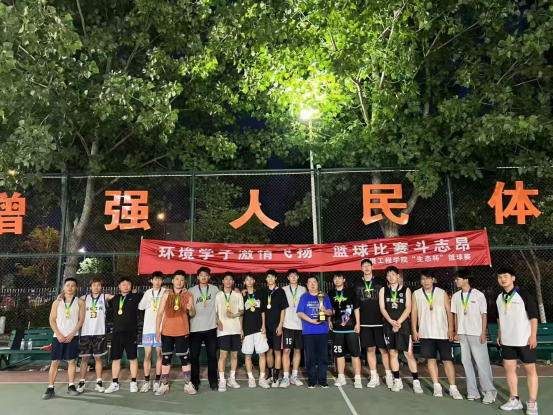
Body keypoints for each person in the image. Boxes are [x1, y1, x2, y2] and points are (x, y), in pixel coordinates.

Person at [412, 269, 462, 399]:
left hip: (442, 333)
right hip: (426, 333)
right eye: (423, 279)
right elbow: (414, 312)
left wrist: (451, 329)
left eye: (428, 278)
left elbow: (449, 311)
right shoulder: (416, 294)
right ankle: (436, 386)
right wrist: (414, 330)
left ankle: (453, 388)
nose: (426, 281)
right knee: (431, 359)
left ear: (433, 280)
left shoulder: (441, 292)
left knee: (447, 360)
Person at [496, 268, 539, 415]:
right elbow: (500, 318)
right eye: (500, 277)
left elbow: (533, 316)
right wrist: (500, 334)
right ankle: (514, 399)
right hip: (508, 340)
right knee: (509, 368)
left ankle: (532, 402)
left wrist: (533, 335)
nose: (502, 279)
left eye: (505, 276)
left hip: (524, 339)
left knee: (530, 370)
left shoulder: (524, 294)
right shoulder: (499, 297)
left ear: (513, 278)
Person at [451, 269, 497, 404]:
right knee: (466, 363)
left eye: (458, 279)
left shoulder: (478, 295)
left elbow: (484, 315)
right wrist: (456, 331)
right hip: (463, 333)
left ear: (466, 280)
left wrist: (483, 333)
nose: (456, 281)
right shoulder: (456, 296)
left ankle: (489, 392)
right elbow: (456, 315)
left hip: (476, 333)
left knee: (482, 363)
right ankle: (473, 392)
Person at [379, 266, 423, 394]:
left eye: (393, 274)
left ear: (398, 276)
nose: (391, 277)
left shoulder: (406, 290)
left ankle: (416, 381)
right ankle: (397, 380)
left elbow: (408, 308)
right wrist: (391, 321)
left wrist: (398, 322)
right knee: (393, 353)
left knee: (408, 354)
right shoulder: (383, 290)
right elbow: (382, 308)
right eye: (388, 275)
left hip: (403, 326)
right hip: (389, 325)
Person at [42, 278, 86, 400]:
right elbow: (52, 319)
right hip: (58, 336)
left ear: (76, 288)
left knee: (71, 361)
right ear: (64, 287)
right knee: (55, 362)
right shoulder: (57, 302)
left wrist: (72, 334)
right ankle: (50, 388)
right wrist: (58, 334)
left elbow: (81, 320)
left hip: (72, 336)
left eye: (73, 285)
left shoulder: (80, 302)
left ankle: (71, 386)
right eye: (68, 285)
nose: (70, 287)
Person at [154, 270, 196, 396]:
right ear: (173, 281)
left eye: (182, 280)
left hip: (182, 331)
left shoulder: (188, 295)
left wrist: (191, 309)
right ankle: (164, 385)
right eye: (177, 279)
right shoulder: (166, 294)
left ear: (185, 282)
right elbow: (160, 313)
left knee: (185, 358)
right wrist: (157, 331)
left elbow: (193, 314)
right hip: (167, 332)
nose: (179, 282)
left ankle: (188, 384)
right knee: (166, 358)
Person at [354, 259, 391, 388]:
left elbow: (387, 300)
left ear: (372, 267)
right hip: (365, 322)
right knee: (370, 349)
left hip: (380, 322)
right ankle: (374, 376)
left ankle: (389, 375)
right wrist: (357, 322)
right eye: (364, 266)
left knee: (383, 350)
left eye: (368, 265)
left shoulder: (380, 282)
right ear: (361, 268)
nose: (366, 268)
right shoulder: (357, 283)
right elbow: (356, 305)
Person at [104, 277, 144, 394]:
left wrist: (135, 292)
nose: (126, 286)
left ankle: (133, 382)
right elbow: (103, 298)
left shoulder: (136, 297)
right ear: (119, 286)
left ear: (131, 286)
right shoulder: (115, 298)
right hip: (117, 332)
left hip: (131, 332)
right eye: (123, 284)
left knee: (133, 357)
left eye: (128, 284)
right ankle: (115, 382)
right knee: (116, 358)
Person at [76, 278, 112, 394]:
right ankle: (82, 382)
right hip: (86, 332)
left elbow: (119, 297)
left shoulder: (105, 297)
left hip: (99, 332)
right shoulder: (83, 298)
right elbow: (70, 300)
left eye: (98, 285)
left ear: (101, 287)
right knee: (84, 358)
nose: (96, 287)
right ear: (90, 287)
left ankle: (99, 382)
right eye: (94, 285)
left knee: (98, 358)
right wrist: (61, 297)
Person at [297, 276, 333, 388]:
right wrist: (311, 321)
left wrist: (325, 311)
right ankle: (312, 380)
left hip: (322, 330)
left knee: (323, 357)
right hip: (308, 331)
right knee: (310, 357)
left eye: (314, 282)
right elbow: (300, 313)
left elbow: (330, 312)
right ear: (307, 285)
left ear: (318, 284)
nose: (312, 284)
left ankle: (322, 380)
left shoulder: (324, 296)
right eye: (310, 282)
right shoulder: (304, 297)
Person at [328, 271, 362, 388]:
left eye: (339, 277)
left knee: (355, 354)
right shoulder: (331, 293)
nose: (337, 280)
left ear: (344, 280)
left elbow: (356, 308)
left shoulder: (351, 291)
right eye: (335, 278)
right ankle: (341, 377)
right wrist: (329, 320)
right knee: (339, 354)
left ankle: (357, 378)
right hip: (337, 329)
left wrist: (358, 323)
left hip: (351, 328)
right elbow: (330, 309)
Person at [189, 266, 220, 391]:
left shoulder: (215, 289)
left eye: (206, 275)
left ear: (209, 277)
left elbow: (222, 301)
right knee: (194, 356)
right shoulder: (191, 291)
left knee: (212, 355)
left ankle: (213, 382)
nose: (203, 277)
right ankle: (195, 381)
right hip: (195, 329)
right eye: (201, 275)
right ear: (197, 277)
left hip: (211, 327)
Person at [215, 271, 244, 392]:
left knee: (234, 355)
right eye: (226, 279)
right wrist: (218, 321)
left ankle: (232, 379)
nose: (228, 281)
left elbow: (242, 311)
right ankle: (222, 380)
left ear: (233, 282)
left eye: (230, 279)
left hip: (235, 329)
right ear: (223, 281)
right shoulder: (218, 295)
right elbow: (215, 312)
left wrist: (235, 317)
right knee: (223, 356)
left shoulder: (237, 295)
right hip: (223, 331)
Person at [138, 271, 166, 393]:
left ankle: (157, 380)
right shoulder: (148, 293)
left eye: (159, 279)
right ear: (151, 281)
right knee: (148, 355)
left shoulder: (165, 292)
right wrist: (147, 300)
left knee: (159, 354)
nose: (157, 282)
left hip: (160, 329)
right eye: (155, 279)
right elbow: (141, 307)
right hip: (148, 329)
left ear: (162, 281)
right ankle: (146, 381)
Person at [241, 273, 271, 388]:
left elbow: (263, 311)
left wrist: (263, 325)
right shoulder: (242, 296)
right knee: (248, 355)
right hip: (247, 329)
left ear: (254, 281)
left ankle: (262, 378)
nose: (249, 281)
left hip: (259, 328)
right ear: (244, 282)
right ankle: (251, 378)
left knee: (262, 354)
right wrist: (241, 329)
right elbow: (241, 314)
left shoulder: (260, 293)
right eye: (247, 279)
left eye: (251, 279)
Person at [280, 269, 306, 388]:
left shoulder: (303, 289)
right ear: (288, 278)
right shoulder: (283, 290)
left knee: (297, 350)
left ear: (298, 277)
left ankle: (294, 376)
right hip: (287, 325)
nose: (293, 277)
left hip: (299, 325)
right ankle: (286, 377)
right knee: (286, 350)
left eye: (295, 275)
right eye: (291, 276)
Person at [263, 269, 287, 387]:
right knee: (268, 351)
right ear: (266, 279)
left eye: (272, 277)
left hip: (277, 325)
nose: (270, 279)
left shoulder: (281, 292)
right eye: (268, 277)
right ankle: (271, 375)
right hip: (266, 326)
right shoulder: (263, 291)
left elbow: (283, 309)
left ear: (276, 278)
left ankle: (276, 377)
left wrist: (280, 325)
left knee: (277, 351)